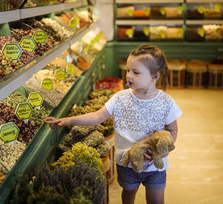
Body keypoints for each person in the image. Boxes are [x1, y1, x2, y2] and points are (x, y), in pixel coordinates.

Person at [44, 44, 182, 204]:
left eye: (136, 72)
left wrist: (164, 151)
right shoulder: (120, 98)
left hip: (155, 164)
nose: (129, 75)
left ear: (155, 76)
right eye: (128, 70)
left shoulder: (166, 102)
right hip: (127, 163)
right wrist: (68, 120)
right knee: (129, 193)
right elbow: (96, 116)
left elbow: (172, 129)